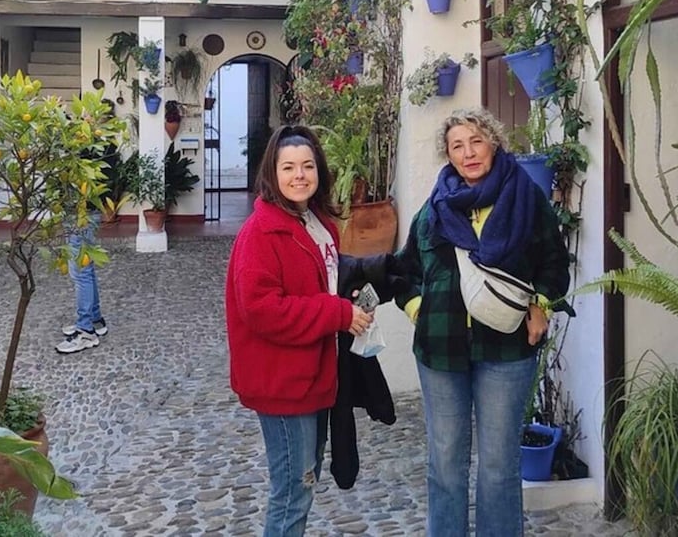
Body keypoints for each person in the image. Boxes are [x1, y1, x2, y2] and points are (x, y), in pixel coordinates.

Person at [394, 107, 571, 536]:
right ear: (448, 155)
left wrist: (540, 305)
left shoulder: (525, 198)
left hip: (507, 349)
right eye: (458, 145)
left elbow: (554, 262)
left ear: (493, 142)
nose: (468, 152)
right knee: (446, 462)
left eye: (476, 141)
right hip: (441, 349)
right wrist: (420, 310)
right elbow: (405, 271)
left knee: (497, 466)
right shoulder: (436, 206)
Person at [225, 124, 374, 536]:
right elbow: (261, 309)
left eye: (307, 166)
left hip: (315, 374)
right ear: (271, 174)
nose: (299, 175)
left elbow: (323, 280)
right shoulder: (260, 233)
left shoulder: (317, 222)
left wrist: (352, 300)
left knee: (304, 483)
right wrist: (335, 313)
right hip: (282, 382)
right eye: (288, 167)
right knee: (292, 491)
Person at [55, 146, 116, 355]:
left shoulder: (95, 146)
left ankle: (85, 331)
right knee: (85, 270)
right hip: (80, 214)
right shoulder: (95, 143)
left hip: (83, 216)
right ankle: (95, 320)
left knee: (80, 273)